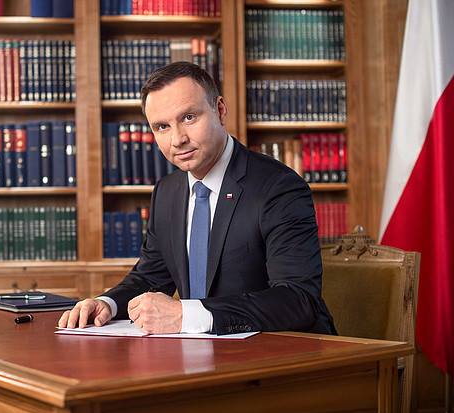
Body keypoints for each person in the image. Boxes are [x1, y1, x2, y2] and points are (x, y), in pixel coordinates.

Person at [59, 62, 336, 335]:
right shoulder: (167, 191)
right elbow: (150, 277)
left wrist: (185, 315)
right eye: (162, 127)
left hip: (286, 350)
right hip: (203, 351)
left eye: (188, 118)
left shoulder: (279, 188)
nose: (177, 139)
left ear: (220, 110)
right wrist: (106, 303)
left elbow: (298, 300)